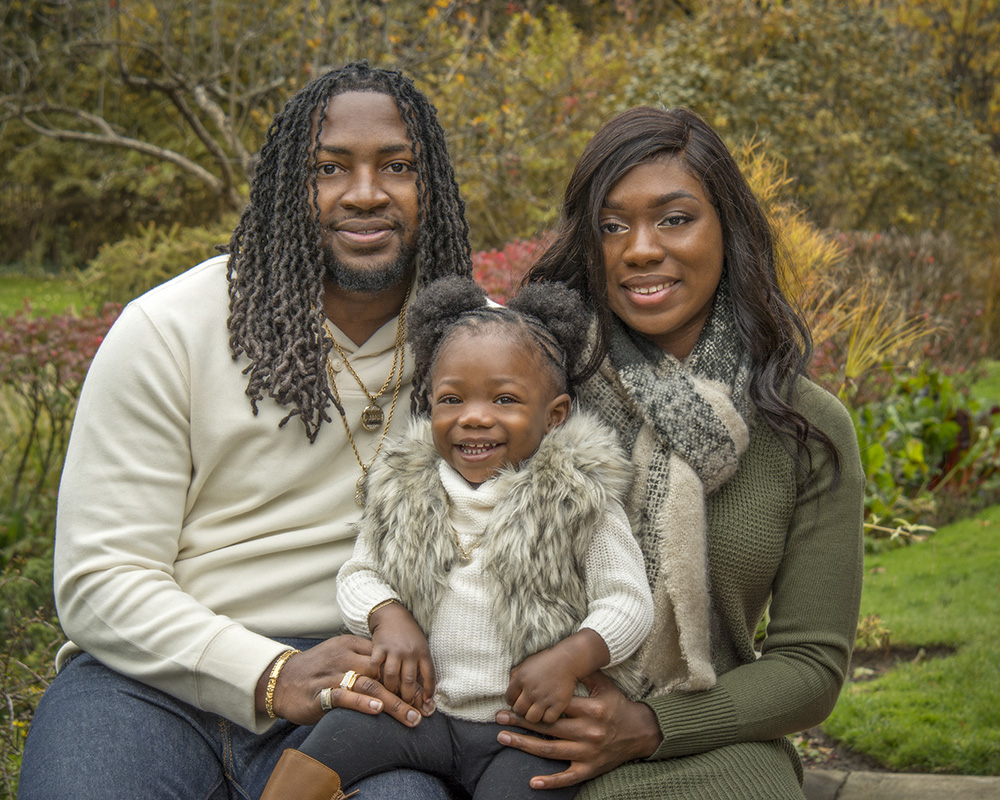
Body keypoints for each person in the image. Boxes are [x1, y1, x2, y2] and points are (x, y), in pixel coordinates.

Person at [18, 61, 475, 800]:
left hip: (364, 686)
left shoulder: (479, 349)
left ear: (435, 190)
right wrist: (270, 674)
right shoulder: (171, 329)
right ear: (287, 188)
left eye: (397, 166)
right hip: (152, 678)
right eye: (329, 169)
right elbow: (100, 579)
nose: (365, 193)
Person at [490, 106, 866, 800]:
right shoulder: (532, 399)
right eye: (611, 224)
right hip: (515, 738)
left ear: (730, 230)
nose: (639, 248)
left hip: (708, 742)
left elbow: (812, 664)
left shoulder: (803, 428)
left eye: (673, 218)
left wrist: (649, 724)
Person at [259, 276, 656, 799]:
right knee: (336, 737)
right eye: (452, 399)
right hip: (422, 712)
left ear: (554, 416)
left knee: (533, 787)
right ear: (429, 405)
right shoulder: (408, 490)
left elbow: (628, 602)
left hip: (521, 730)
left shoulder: (578, 502)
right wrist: (388, 615)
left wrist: (571, 657)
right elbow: (361, 574)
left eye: (505, 399)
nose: (474, 416)